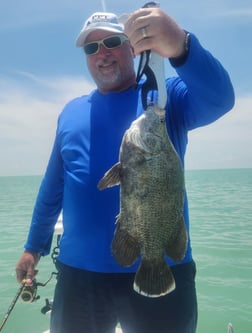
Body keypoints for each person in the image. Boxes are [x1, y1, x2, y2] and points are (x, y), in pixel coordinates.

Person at [15, 6, 234, 333]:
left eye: (112, 42)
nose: (101, 53)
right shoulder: (71, 112)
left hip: (164, 265)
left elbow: (220, 98)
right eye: (91, 48)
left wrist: (180, 46)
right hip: (80, 276)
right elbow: (53, 187)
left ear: (133, 47)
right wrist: (33, 247)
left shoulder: (163, 99)